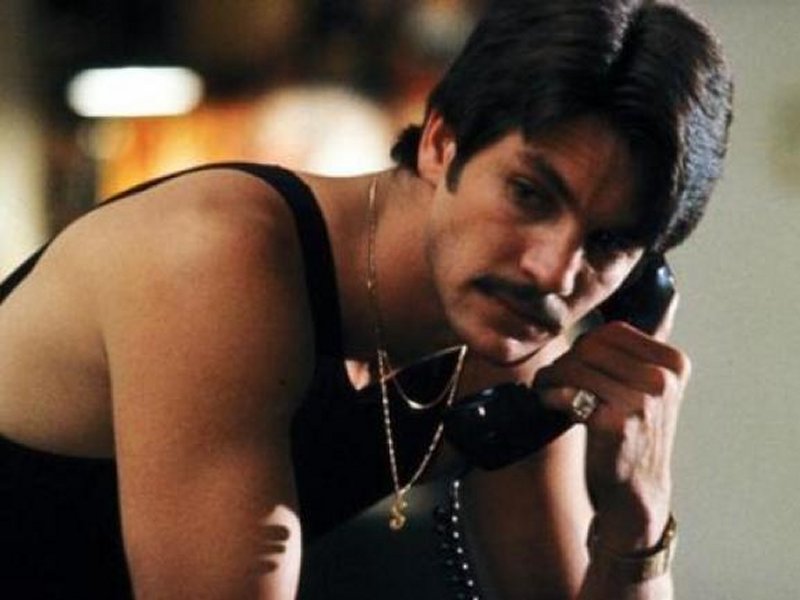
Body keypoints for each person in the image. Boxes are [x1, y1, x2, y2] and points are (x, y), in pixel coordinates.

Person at [0, 0, 732, 598]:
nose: (550, 271)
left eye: (607, 242)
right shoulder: (220, 259)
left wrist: (638, 512)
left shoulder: (510, 348)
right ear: (441, 142)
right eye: (528, 194)